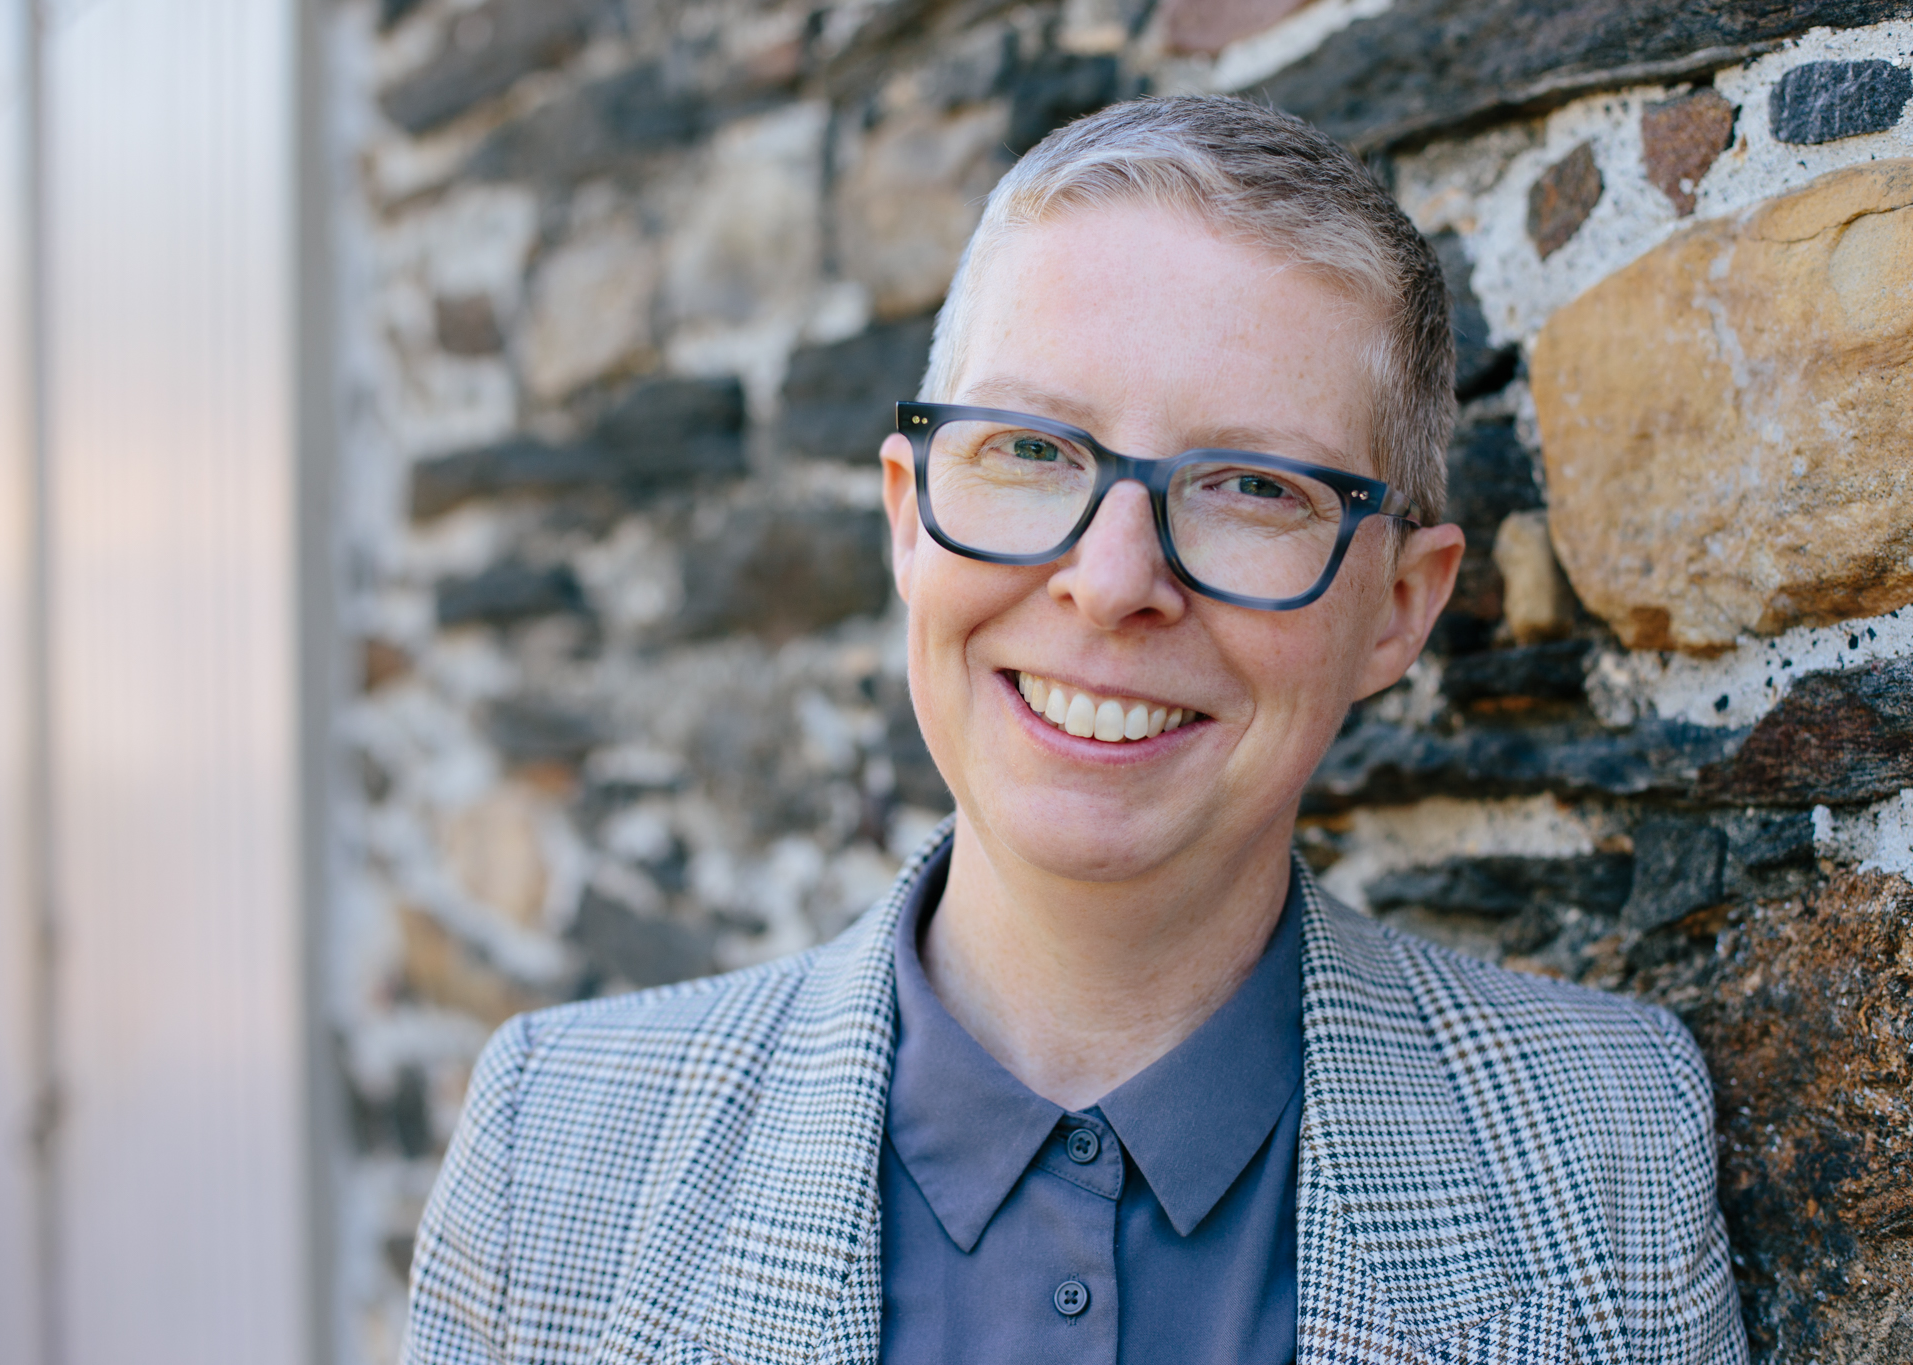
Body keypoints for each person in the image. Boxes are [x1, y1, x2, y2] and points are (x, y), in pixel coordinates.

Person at [403, 96, 1745, 1365]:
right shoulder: (557, 1149)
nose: (1111, 582)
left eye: (1249, 485)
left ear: (1398, 606)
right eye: (1034, 451)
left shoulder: (1608, 1143)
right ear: (909, 516)